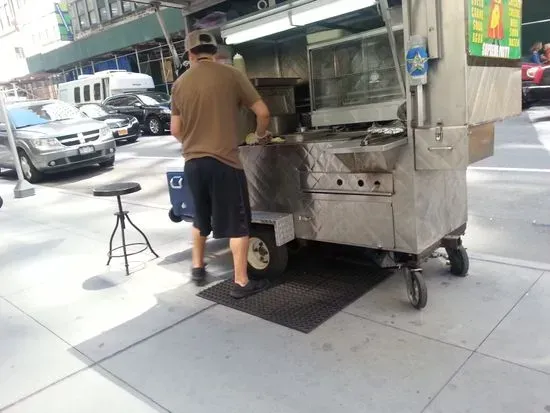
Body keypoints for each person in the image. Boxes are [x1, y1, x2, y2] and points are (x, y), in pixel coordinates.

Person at [170, 30, 272, 299]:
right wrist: (260, 135)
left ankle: (197, 266)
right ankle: (240, 282)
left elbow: (175, 129)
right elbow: (263, 112)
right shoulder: (232, 75)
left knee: (201, 216)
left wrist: (193, 142)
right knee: (238, 224)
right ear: (214, 52)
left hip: (193, 164)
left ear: (190, 54)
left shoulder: (179, 84)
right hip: (224, 162)